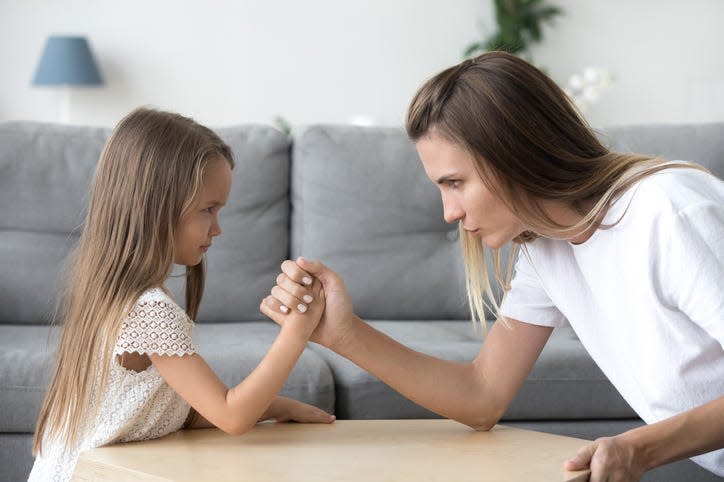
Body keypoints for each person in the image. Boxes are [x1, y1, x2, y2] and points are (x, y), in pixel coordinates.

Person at [259, 52, 724, 481]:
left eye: (456, 182)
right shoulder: (547, 250)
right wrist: (342, 332)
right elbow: (481, 397)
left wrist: (642, 448)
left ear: (515, 153)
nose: (449, 213)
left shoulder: (670, 211)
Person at [30, 108, 334, 482]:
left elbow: (161, 412)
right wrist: (297, 330)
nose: (218, 229)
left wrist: (275, 406)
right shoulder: (150, 311)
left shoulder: (108, 292)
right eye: (208, 210)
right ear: (156, 207)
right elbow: (231, 415)